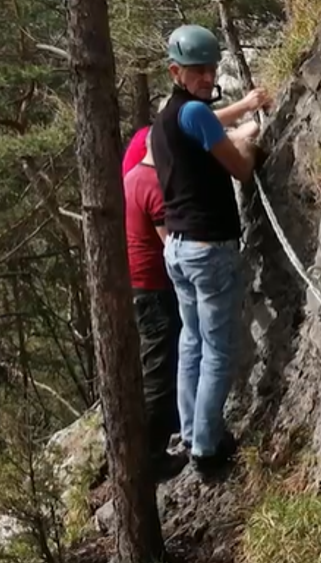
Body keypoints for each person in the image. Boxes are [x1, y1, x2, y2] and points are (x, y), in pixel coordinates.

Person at [149, 24, 272, 477]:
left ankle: (190, 434)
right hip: (208, 248)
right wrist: (250, 139)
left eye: (211, 68)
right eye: (198, 70)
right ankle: (207, 448)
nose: (207, 76)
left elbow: (204, 123)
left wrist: (240, 109)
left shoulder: (165, 118)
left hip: (178, 250)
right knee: (218, 348)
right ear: (176, 71)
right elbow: (240, 169)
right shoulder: (194, 114)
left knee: (191, 343)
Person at [122, 126, 186, 479]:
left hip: (138, 284)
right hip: (154, 285)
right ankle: (151, 455)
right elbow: (174, 247)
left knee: (157, 362)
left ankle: (149, 445)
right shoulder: (155, 188)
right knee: (160, 369)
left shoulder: (132, 177)